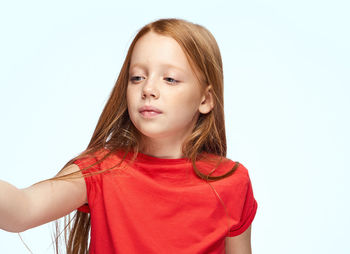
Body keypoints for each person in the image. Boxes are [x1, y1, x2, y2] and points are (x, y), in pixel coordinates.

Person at [0, 18, 258, 254]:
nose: (148, 89)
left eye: (169, 79)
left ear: (205, 99)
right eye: (137, 77)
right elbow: (22, 210)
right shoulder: (100, 170)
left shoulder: (232, 181)